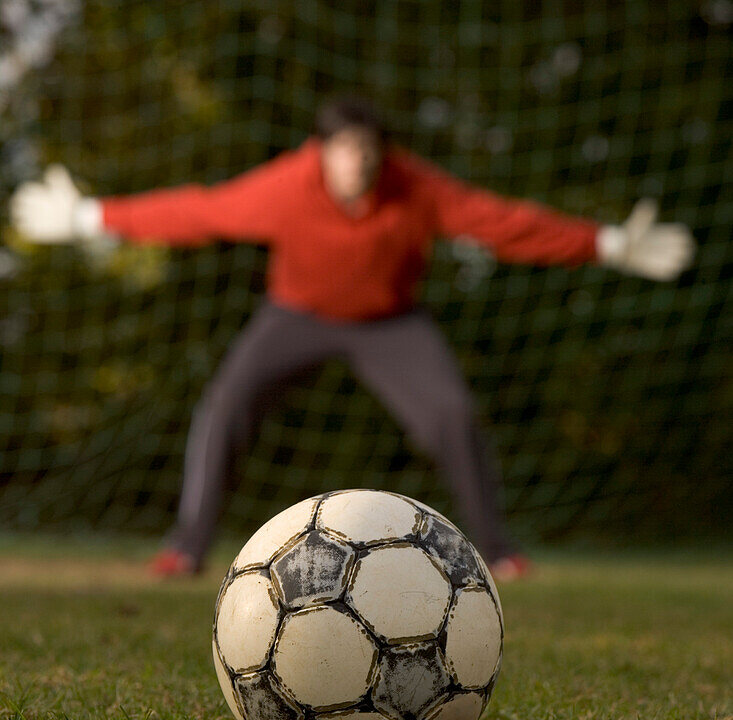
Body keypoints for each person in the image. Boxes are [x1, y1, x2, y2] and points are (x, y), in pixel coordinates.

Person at [10, 97, 695, 579]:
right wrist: (91, 215)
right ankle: (185, 548)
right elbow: (200, 210)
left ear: (381, 154)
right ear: (321, 152)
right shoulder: (286, 186)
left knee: (451, 415)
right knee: (224, 404)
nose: (354, 165)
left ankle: (499, 551)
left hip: (390, 324)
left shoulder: (413, 187)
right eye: (341, 152)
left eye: (366, 152)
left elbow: (499, 222)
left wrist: (603, 241)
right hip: (294, 317)